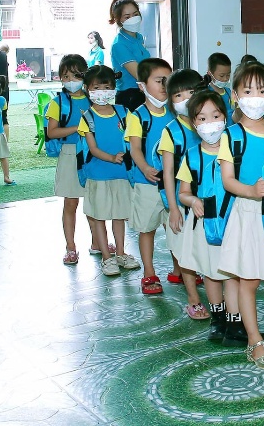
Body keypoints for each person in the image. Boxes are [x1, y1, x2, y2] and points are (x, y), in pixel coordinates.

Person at [218, 61, 264, 370]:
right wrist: (251, 190)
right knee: (249, 280)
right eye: (248, 91)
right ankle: (254, 340)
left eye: (262, 90)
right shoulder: (232, 135)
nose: (256, 97)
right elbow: (228, 180)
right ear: (235, 95)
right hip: (248, 213)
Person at [175, 90, 242, 338]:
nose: (210, 123)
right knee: (212, 273)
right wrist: (193, 200)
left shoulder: (235, 150)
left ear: (225, 116)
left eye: (215, 116)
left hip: (234, 219)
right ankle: (218, 318)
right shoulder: (192, 156)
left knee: (233, 272)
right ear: (194, 123)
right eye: (202, 118)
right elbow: (183, 192)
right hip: (206, 222)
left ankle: (235, 320)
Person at [76, 65, 141, 277]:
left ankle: (121, 253)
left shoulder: (124, 113)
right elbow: (93, 148)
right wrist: (112, 158)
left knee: (119, 216)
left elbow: (134, 138)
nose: (102, 92)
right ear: (87, 89)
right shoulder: (87, 118)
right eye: (97, 88)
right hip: (98, 176)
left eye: (107, 87)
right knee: (100, 217)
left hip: (122, 175)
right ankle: (107, 257)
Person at [46, 55, 109, 264]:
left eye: (75, 75)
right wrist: (79, 127)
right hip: (70, 154)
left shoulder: (95, 99)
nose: (70, 80)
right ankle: (70, 247)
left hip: (92, 153)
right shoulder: (58, 103)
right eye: (65, 76)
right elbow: (52, 132)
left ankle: (97, 242)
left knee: (94, 201)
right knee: (71, 202)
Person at [125, 58, 175, 295]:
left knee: (175, 227)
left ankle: (180, 269)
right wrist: (145, 168)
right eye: (159, 80)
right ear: (142, 86)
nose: (165, 85)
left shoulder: (176, 113)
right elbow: (134, 148)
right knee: (147, 229)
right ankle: (149, 272)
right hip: (147, 184)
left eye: (168, 80)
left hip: (173, 185)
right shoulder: (138, 116)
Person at [158, 69, 206, 289]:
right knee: (184, 250)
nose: (186, 99)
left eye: (191, 92)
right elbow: (167, 172)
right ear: (170, 100)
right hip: (182, 201)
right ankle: (193, 297)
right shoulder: (171, 132)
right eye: (178, 95)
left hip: (207, 198)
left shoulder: (212, 124)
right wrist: (174, 208)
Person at [109, 0, 149, 110]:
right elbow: (139, 74)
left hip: (144, 92)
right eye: (127, 17)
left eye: (135, 14)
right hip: (130, 96)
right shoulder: (119, 45)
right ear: (119, 20)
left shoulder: (138, 38)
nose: (133, 19)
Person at [206, 52, 235, 125]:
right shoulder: (206, 93)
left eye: (228, 75)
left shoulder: (228, 92)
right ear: (210, 74)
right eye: (221, 75)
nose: (225, 79)